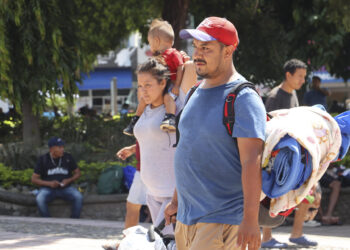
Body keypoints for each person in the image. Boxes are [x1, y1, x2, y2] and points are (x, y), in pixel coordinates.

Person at [164, 16, 266, 250]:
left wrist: (251, 220)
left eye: (206, 48)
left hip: (222, 221)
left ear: (228, 51)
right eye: (196, 47)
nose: (197, 54)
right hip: (186, 220)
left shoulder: (243, 97)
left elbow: (252, 161)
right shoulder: (194, 92)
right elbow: (188, 149)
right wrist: (176, 200)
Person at [134, 58, 196, 235]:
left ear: (162, 83)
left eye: (148, 85)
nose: (143, 90)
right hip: (152, 192)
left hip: (173, 192)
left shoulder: (177, 104)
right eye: (140, 86)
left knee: (166, 240)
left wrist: (177, 58)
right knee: (166, 244)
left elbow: (191, 67)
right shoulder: (144, 109)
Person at [263, 59, 318, 247]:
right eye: (300, 76)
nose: (303, 80)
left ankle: (297, 234)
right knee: (271, 197)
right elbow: (268, 127)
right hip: (277, 156)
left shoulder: (293, 94)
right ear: (288, 75)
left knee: (304, 192)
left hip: (296, 154)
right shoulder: (274, 96)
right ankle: (266, 238)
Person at [123, 19, 185, 136]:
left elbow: (180, 67)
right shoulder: (158, 56)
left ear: (156, 41)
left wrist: (177, 85)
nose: (150, 46)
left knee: (168, 98)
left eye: (150, 43)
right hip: (161, 85)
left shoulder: (173, 53)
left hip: (170, 84)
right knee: (143, 100)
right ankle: (136, 119)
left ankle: (170, 118)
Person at [31, 137, 83, 218]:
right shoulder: (43, 159)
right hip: (48, 189)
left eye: (63, 147)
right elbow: (34, 179)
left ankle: (74, 220)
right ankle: (48, 220)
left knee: (78, 197)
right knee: (40, 199)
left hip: (65, 188)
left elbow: (78, 173)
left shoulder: (68, 157)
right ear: (52, 149)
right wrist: (49, 184)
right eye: (59, 147)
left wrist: (69, 180)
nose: (62, 149)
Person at [116, 141, 147, 229]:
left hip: (160, 169)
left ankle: (171, 240)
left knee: (164, 207)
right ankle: (128, 240)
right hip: (142, 170)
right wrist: (134, 148)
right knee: (133, 205)